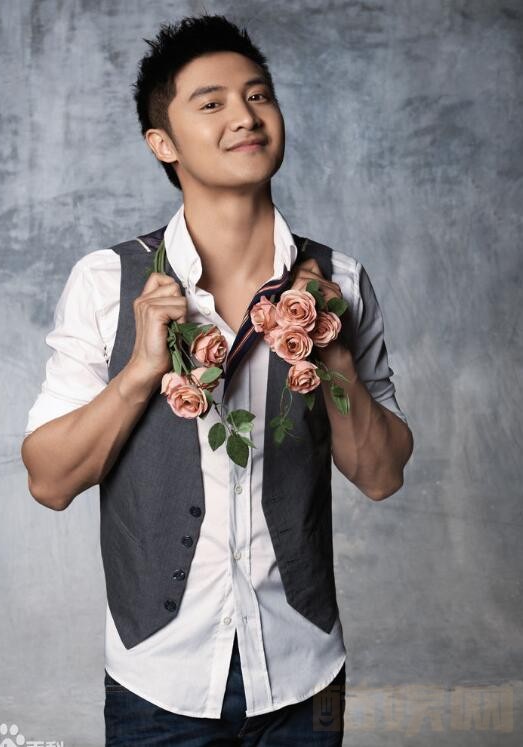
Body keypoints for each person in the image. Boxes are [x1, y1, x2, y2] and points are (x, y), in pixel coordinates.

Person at [21, 14, 413, 746]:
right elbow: (49, 480)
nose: (245, 116)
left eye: (258, 95)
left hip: (302, 671)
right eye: (212, 102)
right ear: (162, 143)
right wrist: (140, 370)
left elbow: (382, 474)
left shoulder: (342, 281)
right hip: (157, 678)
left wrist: (332, 356)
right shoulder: (106, 282)